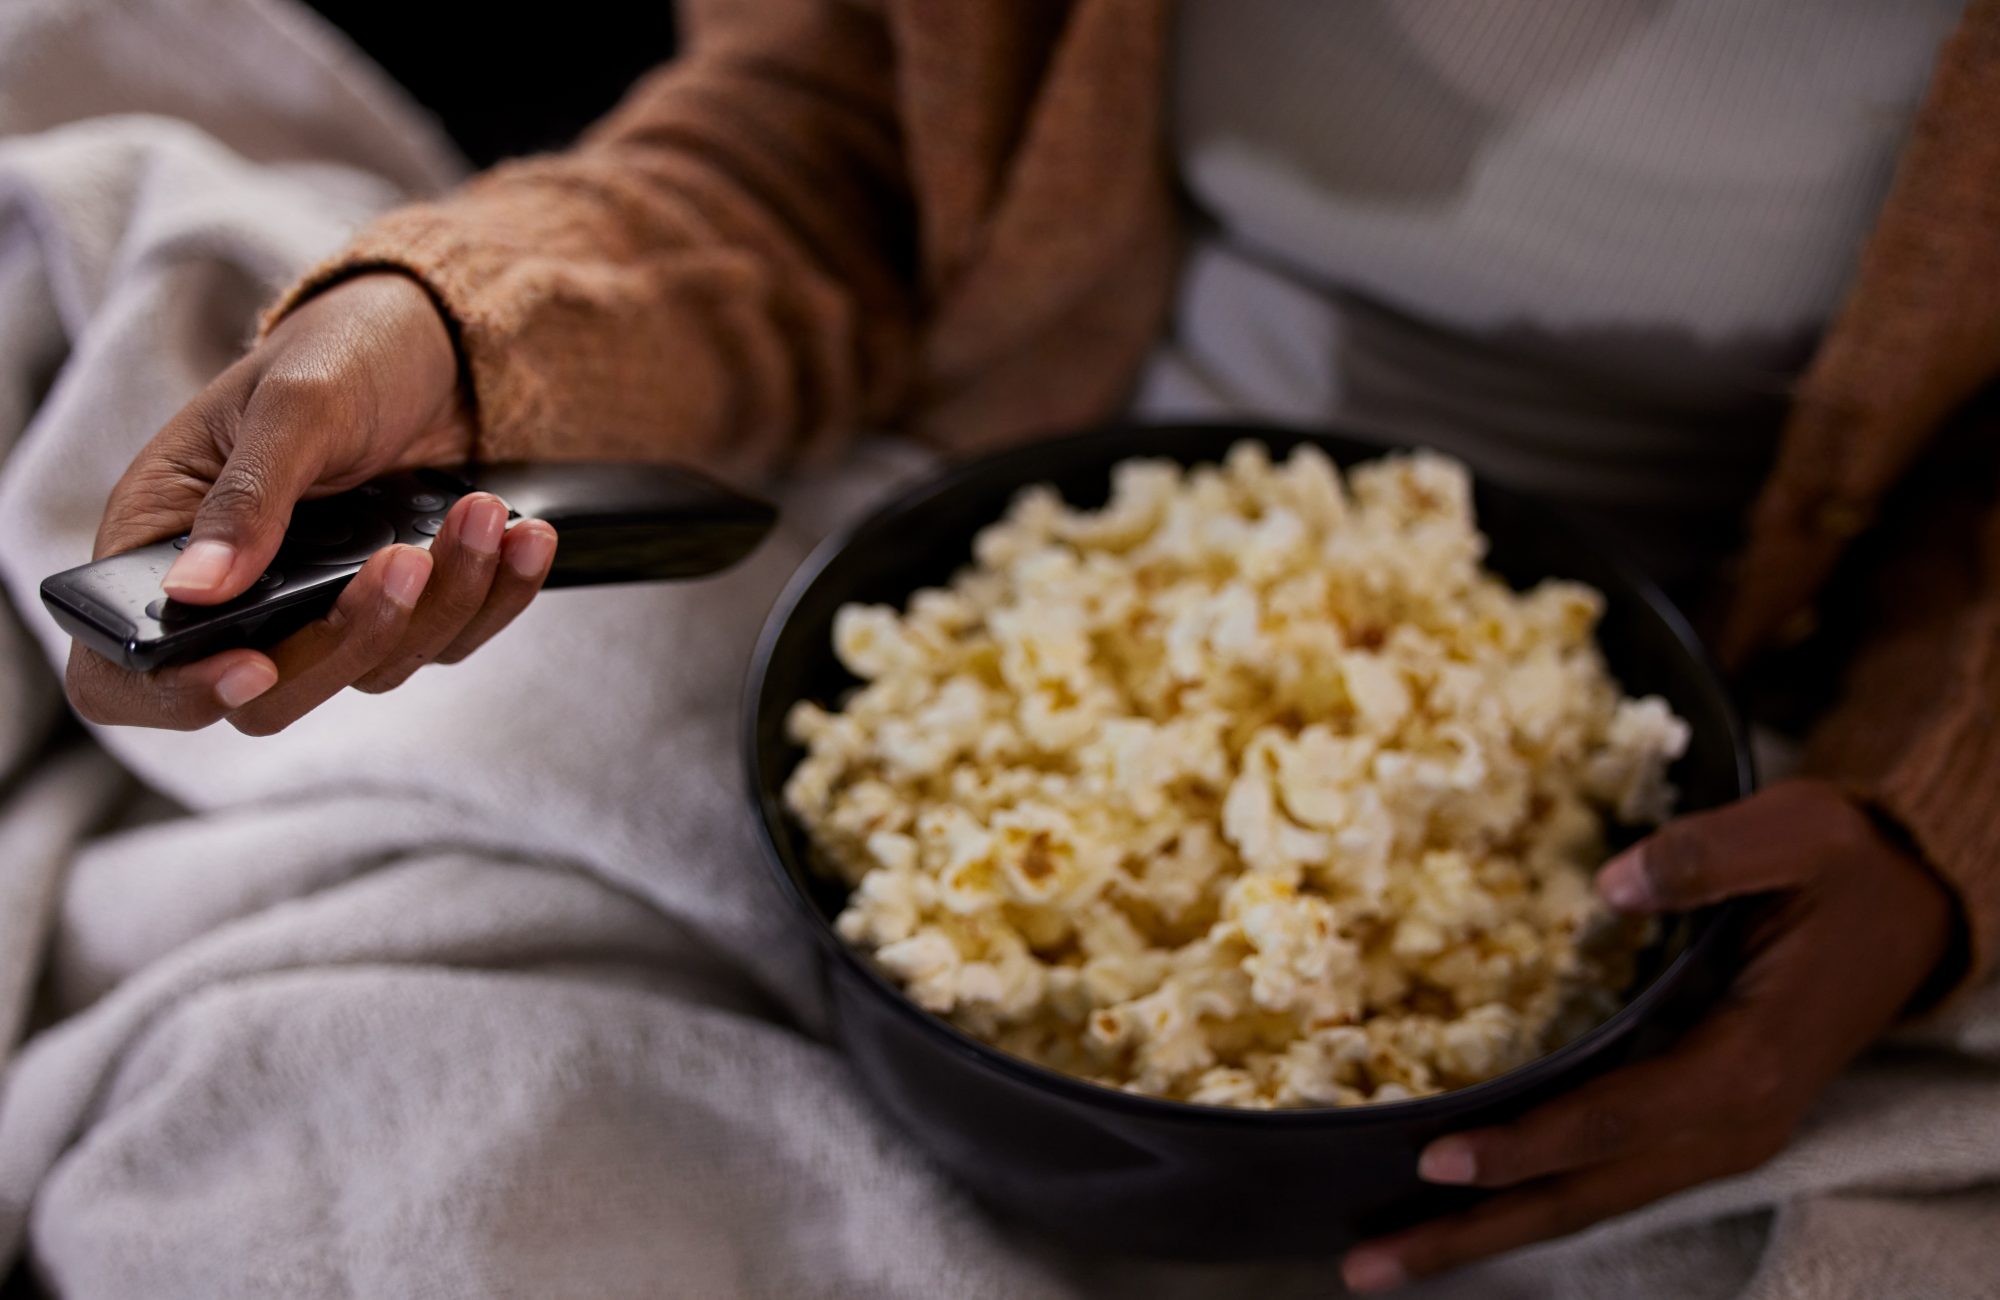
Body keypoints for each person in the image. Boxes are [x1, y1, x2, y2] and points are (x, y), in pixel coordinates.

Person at [55, 1, 1999, 1290]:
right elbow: (833, 147)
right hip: (1017, 575)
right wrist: (462, 348)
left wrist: (1936, 833)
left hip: (1722, 730)